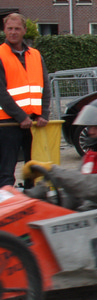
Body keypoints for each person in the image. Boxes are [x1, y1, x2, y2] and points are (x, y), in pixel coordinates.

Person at [22, 97, 97, 210]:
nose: (91, 132)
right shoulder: (92, 156)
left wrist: (53, 171)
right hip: (89, 218)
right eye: (90, 127)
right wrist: (43, 203)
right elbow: (76, 192)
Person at [0, 13, 51, 189]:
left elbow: (45, 86)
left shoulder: (35, 55)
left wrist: (44, 114)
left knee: (33, 168)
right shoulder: (1, 54)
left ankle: (31, 195)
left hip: (33, 122)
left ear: (24, 30)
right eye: (9, 29)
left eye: (17, 29)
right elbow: (1, 93)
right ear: (4, 30)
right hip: (7, 123)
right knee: (6, 171)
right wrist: (21, 117)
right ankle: (6, 200)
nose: (13, 32)